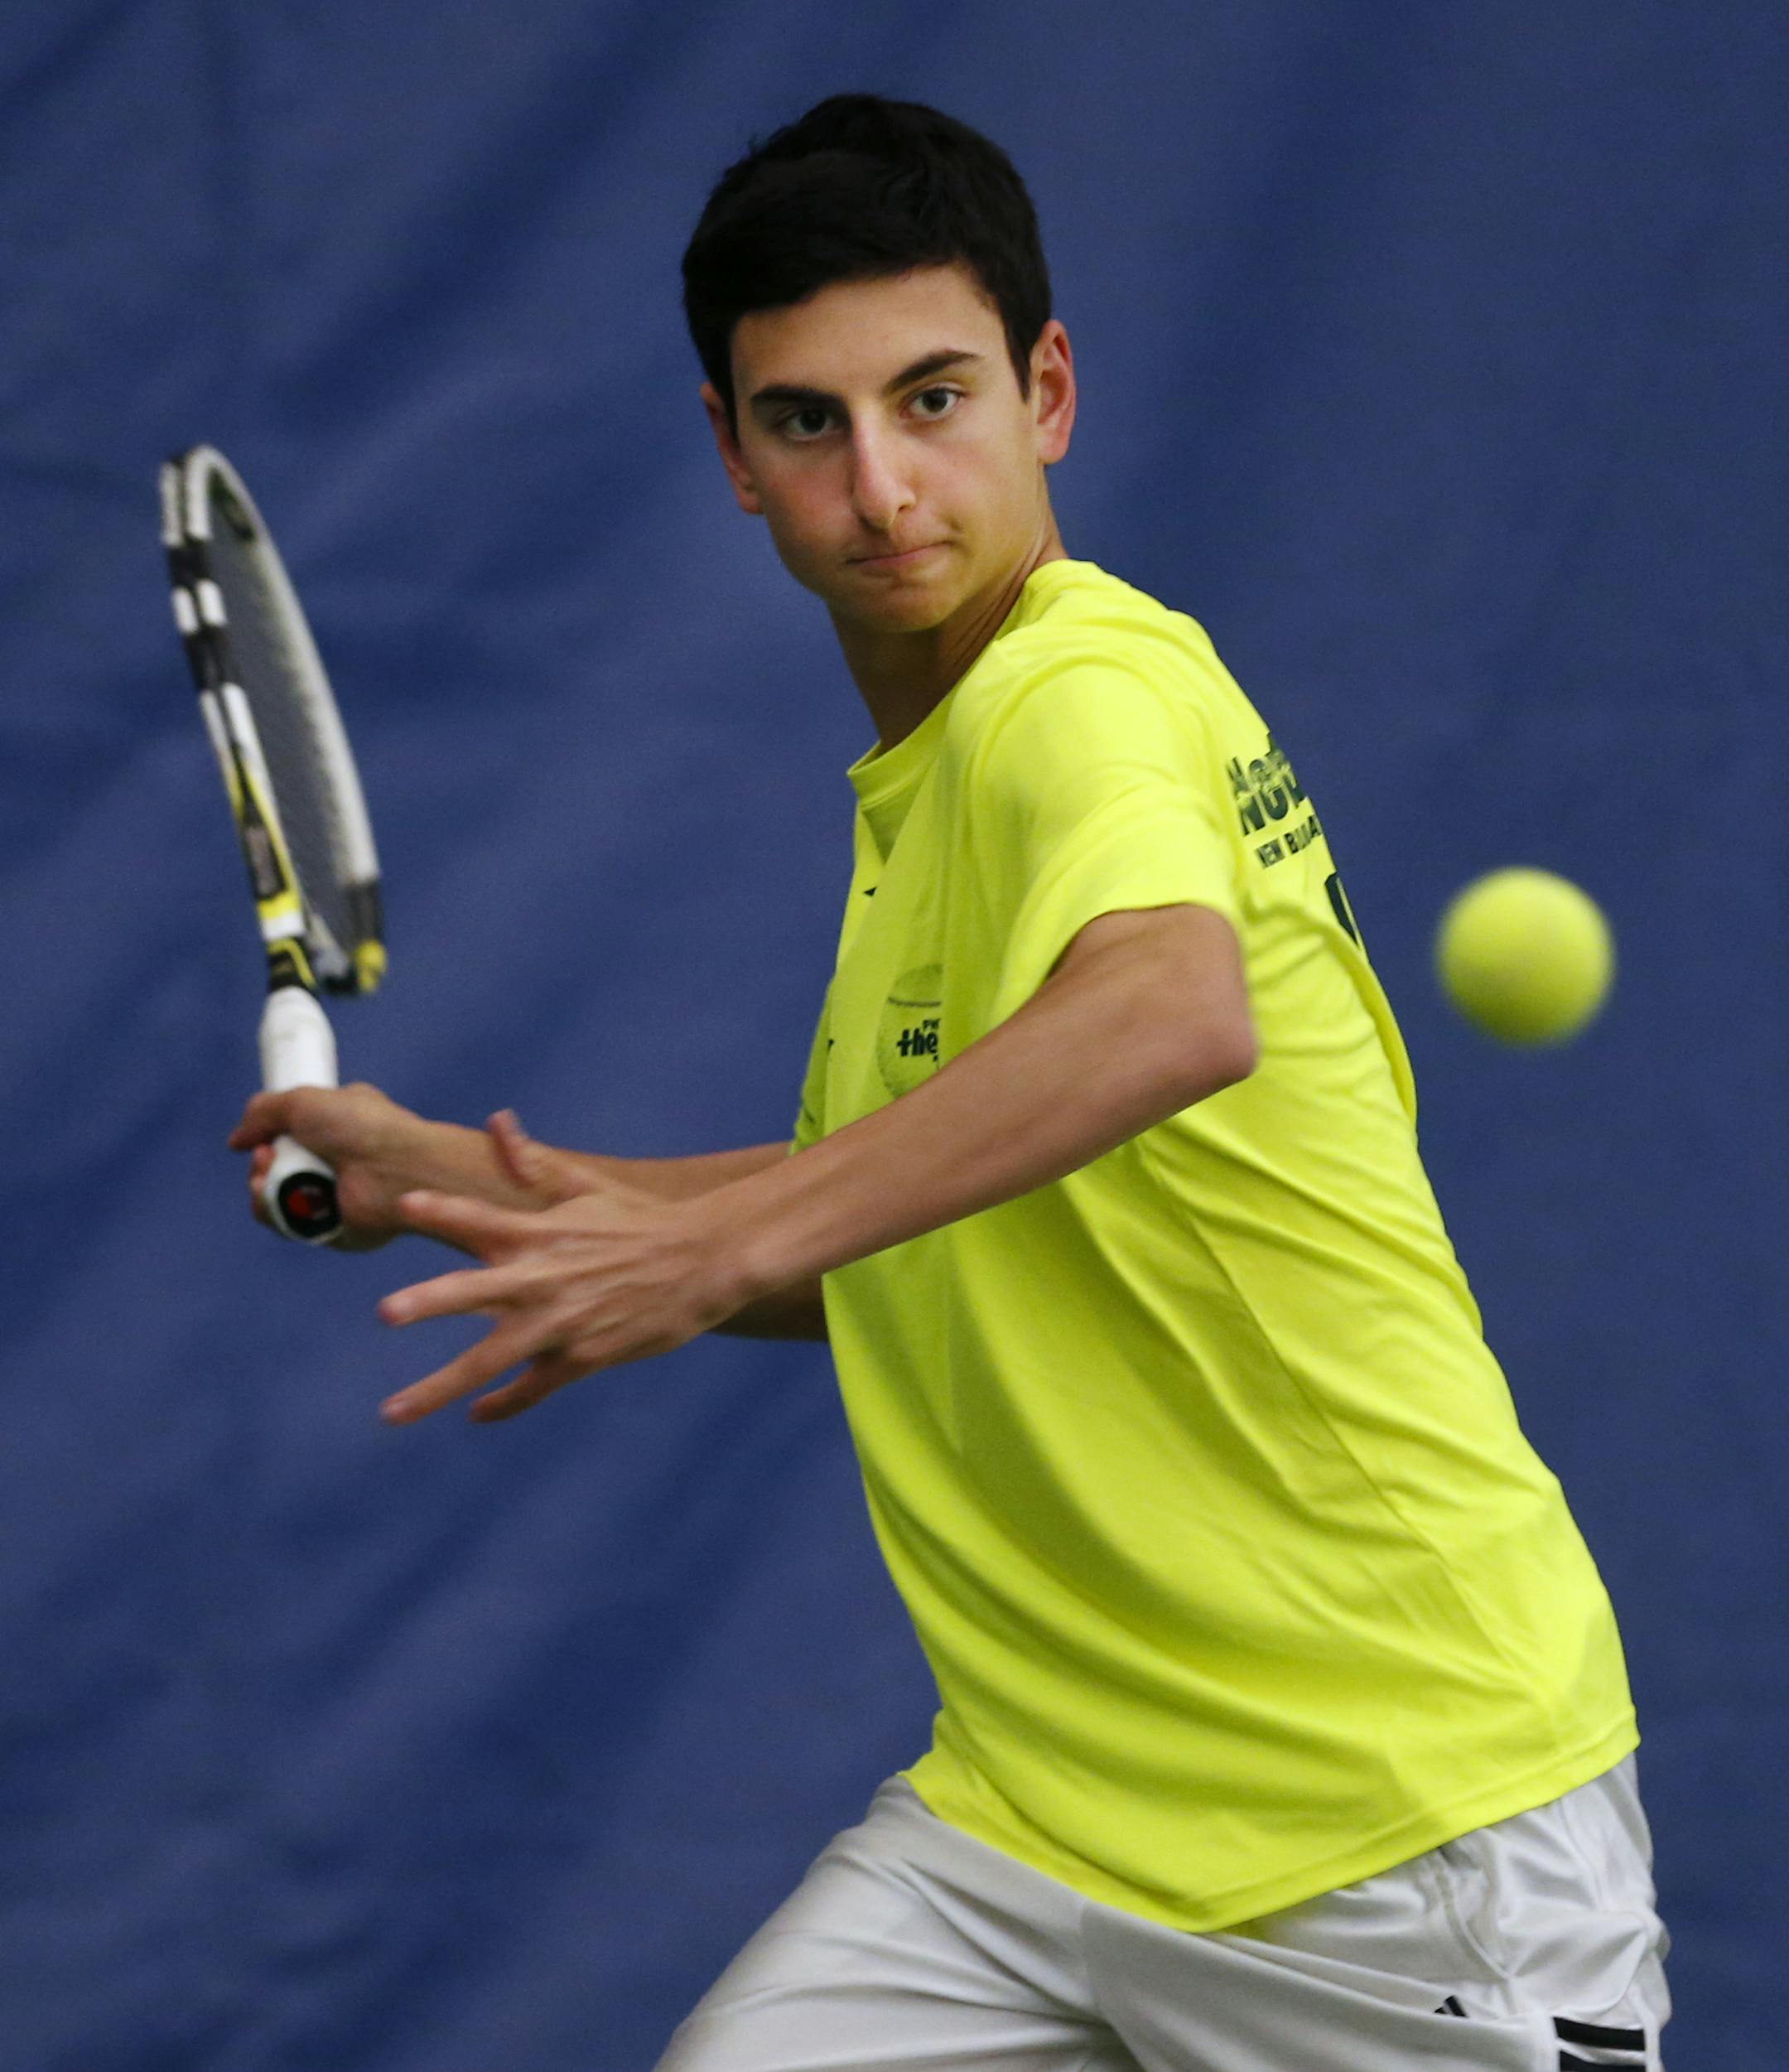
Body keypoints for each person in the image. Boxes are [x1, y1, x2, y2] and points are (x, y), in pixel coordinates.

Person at [230, 94, 1671, 2072]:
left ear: (1048, 390)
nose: (884, 484)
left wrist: (708, 1247)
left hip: (1386, 1825)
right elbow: (922, 1231)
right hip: (1041, 1822)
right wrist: (489, 1187)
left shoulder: (1079, 701)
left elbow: (1177, 1010)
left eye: (935, 398)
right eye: (808, 422)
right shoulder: (932, 796)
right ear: (732, 458)